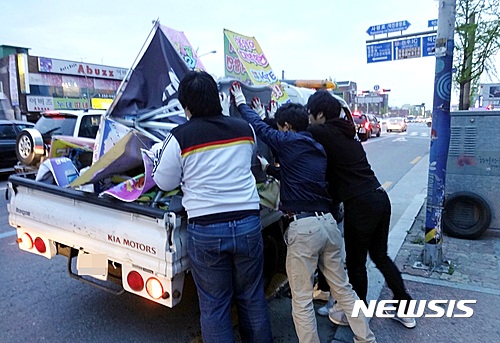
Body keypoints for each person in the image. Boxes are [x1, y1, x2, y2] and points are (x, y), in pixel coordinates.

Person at [231, 83, 376, 343]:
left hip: (304, 228)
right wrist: (271, 168)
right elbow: (296, 174)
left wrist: (241, 103)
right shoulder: (316, 148)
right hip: (328, 225)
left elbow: (261, 129)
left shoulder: (288, 140)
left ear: (286, 127)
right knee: (344, 290)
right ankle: (366, 339)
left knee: (301, 300)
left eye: (280, 128)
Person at [152, 71, 273, 343]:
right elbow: (249, 163)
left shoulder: (180, 136)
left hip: (206, 230)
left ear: (187, 106)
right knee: (252, 298)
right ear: (217, 98)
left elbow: (163, 180)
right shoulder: (244, 129)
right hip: (247, 224)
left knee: (215, 306)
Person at [306, 90, 416, 329]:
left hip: (361, 203)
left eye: (310, 115)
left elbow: (294, 133)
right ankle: (405, 308)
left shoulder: (323, 132)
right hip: (379, 197)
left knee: (356, 263)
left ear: (320, 115)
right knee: (380, 256)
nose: (309, 120)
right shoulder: (346, 130)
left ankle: (357, 314)